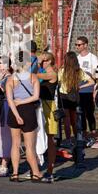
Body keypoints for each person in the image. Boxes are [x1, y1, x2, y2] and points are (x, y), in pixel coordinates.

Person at [6, 52, 47, 183]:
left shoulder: (11, 79)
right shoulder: (33, 77)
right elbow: (35, 97)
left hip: (14, 111)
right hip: (28, 110)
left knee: (15, 144)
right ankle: (36, 173)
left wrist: (17, 114)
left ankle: (15, 173)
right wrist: (23, 102)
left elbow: (10, 100)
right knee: (30, 146)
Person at [58, 52, 95, 146]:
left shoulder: (62, 70)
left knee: (66, 120)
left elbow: (58, 82)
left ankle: (68, 140)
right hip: (75, 96)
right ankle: (77, 138)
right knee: (74, 120)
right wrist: (81, 87)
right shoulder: (79, 71)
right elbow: (92, 82)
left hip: (64, 96)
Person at [37, 52, 58, 182]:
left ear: (49, 61)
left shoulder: (52, 74)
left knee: (50, 139)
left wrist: (37, 63)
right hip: (40, 106)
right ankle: (37, 167)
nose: (42, 63)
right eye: (41, 61)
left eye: (44, 61)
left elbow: (35, 75)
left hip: (49, 107)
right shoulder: (43, 73)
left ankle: (50, 169)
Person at [75, 36, 98, 139]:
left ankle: (93, 132)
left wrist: (95, 88)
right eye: (76, 45)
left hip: (88, 89)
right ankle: (84, 133)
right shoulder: (77, 58)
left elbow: (97, 74)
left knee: (89, 112)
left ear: (85, 45)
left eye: (79, 45)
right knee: (81, 113)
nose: (77, 47)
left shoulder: (92, 57)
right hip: (78, 89)